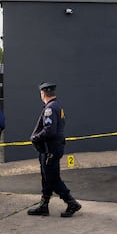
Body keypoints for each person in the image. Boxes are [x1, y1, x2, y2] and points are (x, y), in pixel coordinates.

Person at [28, 82, 82, 217]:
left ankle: (71, 202)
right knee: (46, 177)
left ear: (43, 94)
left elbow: (49, 130)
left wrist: (35, 137)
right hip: (51, 148)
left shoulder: (50, 109)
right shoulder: (57, 105)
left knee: (52, 178)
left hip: (50, 149)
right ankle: (44, 204)